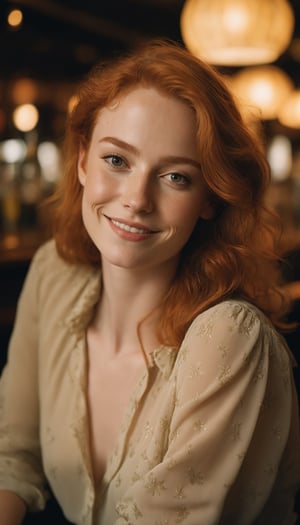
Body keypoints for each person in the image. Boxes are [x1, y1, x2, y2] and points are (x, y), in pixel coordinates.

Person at [0, 38, 299, 525]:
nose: (137, 199)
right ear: (81, 161)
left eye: (176, 177)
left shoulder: (228, 338)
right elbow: (11, 455)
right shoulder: (54, 275)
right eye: (116, 160)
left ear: (210, 198)